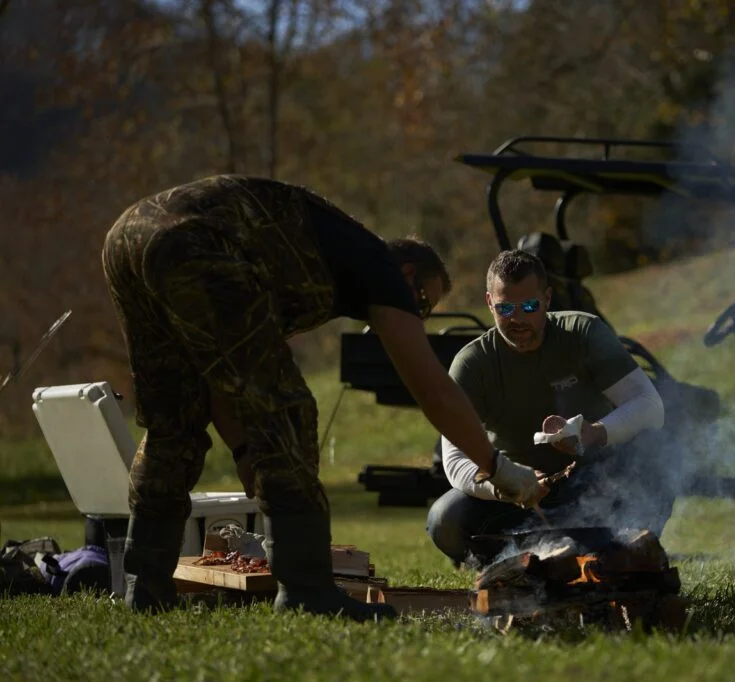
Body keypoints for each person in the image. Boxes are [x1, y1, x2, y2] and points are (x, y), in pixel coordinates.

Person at [101, 175, 545, 620]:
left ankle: (146, 587)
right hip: (193, 242)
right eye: (423, 304)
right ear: (408, 274)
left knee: (173, 420)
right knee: (290, 411)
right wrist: (494, 466)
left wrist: (243, 449)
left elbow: (220, 378)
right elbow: (432, 390)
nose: (418, 315)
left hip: (127, 238)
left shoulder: (304, 265)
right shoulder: (381, 271)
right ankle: (306, 591)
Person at [426, 250, 670, 567]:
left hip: (596, 485)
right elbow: (454, 457)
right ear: (489, 303)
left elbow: (649, 405)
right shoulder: (473, 364)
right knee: (444, 519)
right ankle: (515, 566)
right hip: (517, 500)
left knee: (657, 453)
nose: (518, 319)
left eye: (529, 306)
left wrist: (595, 433)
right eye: (505, 308)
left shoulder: (584, 333)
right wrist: (505, 483)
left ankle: (627, 555)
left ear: (547, 298)